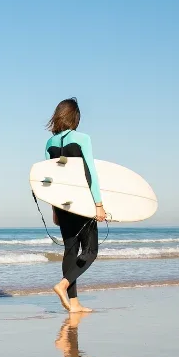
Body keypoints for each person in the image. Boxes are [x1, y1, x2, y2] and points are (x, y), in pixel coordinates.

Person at [44, 98, 105, 313]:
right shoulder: (83, 139)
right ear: (75, 117)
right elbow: (90, 173)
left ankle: (74, 303)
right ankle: (63, 284)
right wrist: (98, 204)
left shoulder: (49, 144)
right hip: (81, 203)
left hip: (62, 205)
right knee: (91, 250)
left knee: (71, 251)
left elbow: (48, 180)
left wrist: (53, 210)